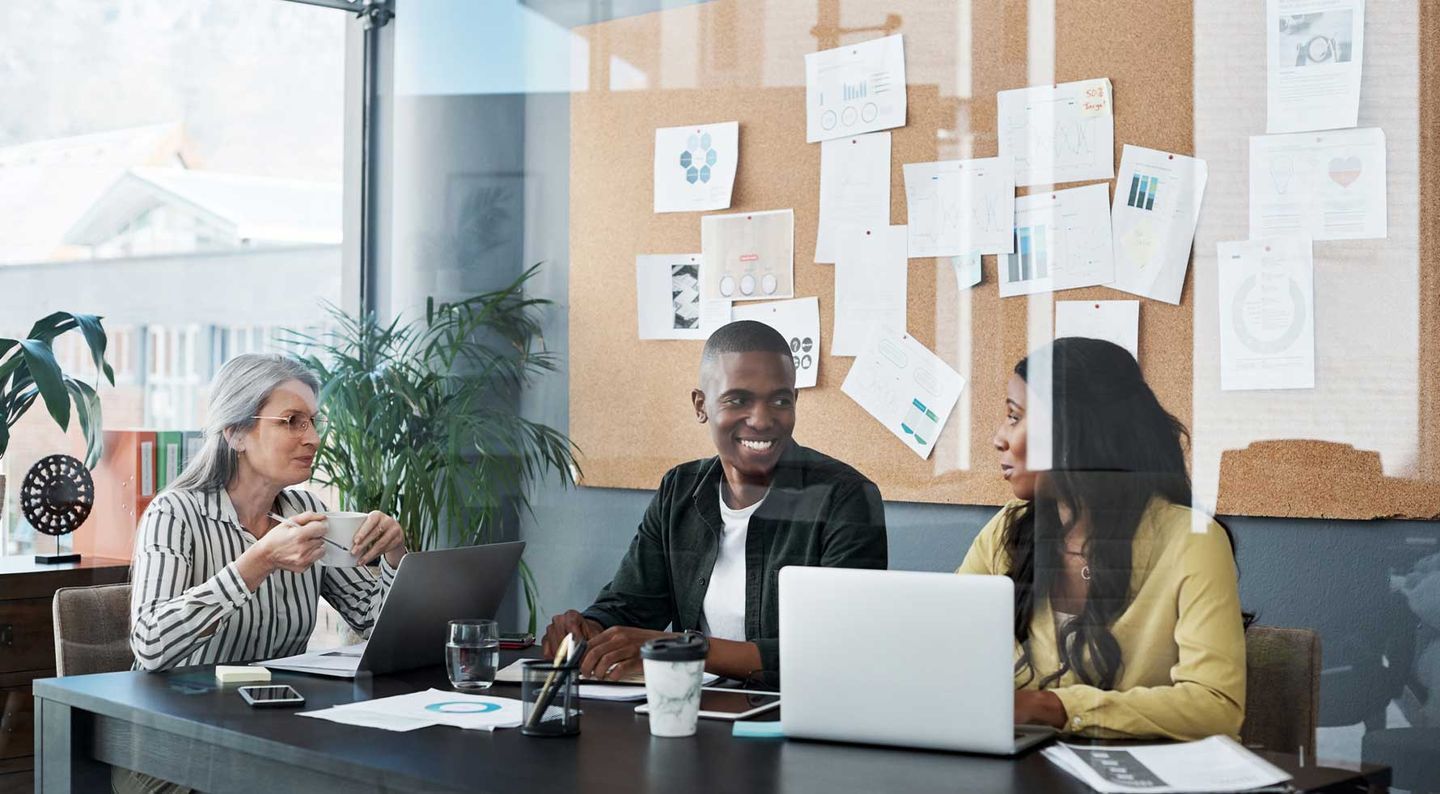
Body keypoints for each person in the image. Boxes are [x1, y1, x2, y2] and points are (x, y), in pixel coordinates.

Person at [119, 354, 408, 792]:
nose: (312, 438)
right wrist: (258, 563)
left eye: (312, 421)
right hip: (175, 744)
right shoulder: (173, 513)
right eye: (291, 421)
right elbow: (152, 643)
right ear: (235, 432)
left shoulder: (308, 512)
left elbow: (371, 618)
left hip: (275, 732)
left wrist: (394, 556)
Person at [542, 320, 888, 682]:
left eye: (780, 400)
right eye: (738, 399)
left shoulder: (845, 498)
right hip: (693, 711)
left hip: (792, 716)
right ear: (701, 404)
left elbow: (837, 646)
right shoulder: (680, 489)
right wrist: (586, 628)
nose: (761, 419)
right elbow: (632, 605)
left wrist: (682, 649)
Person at [956, 337, 1246, 741]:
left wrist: (1055, 707)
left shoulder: (1192, 543)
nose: (998, 437)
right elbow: (948, 657)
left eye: (1015, 417)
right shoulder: (1006, 531)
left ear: (1075, 433)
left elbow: (1215, 708)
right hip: (1022, 771)